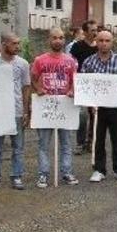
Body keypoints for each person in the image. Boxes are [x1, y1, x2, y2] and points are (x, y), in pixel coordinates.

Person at [31, 27, 80, 188]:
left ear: (64, 40)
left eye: (60, 38)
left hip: (65, 107)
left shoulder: (70, 61)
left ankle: (66, 172)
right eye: (54, 38)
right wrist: (38, 88)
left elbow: (75, 81)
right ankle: (43, 174)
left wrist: (72, 90)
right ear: (49, 40)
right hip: (46, 107)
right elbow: (33, 78)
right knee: (43, 144)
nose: (58, 41)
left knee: (66, 143)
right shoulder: (40, 60)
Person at [0, 33, 31, 191]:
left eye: (18, 43)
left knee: (18, 147)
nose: (18, 47)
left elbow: (26, 87)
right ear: (4, 44)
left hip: (16, 110)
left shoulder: (23, 64)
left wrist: (26, 110)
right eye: (14, 43)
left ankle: (16, 176)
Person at [82, 30, 117, 183]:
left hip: (116, 105)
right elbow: (84, 84)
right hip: (97, 107)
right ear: (96, 42)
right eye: (101, 40)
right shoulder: (89, 62)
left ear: (112, 42)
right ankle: (99, 170)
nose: (104, 43)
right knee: (98, 138)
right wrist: (89, 103)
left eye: (107, 40)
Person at [69, 20, 98, 154]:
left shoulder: (99, 47)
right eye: (92, 30)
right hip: (81, 83)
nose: (95, 33)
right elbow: (72, 64)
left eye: (96, 30)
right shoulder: (77, 46)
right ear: (85, 32)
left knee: (95, 115)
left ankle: (91, 141)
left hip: (96, 84)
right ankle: (80, 143)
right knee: (82, 115)